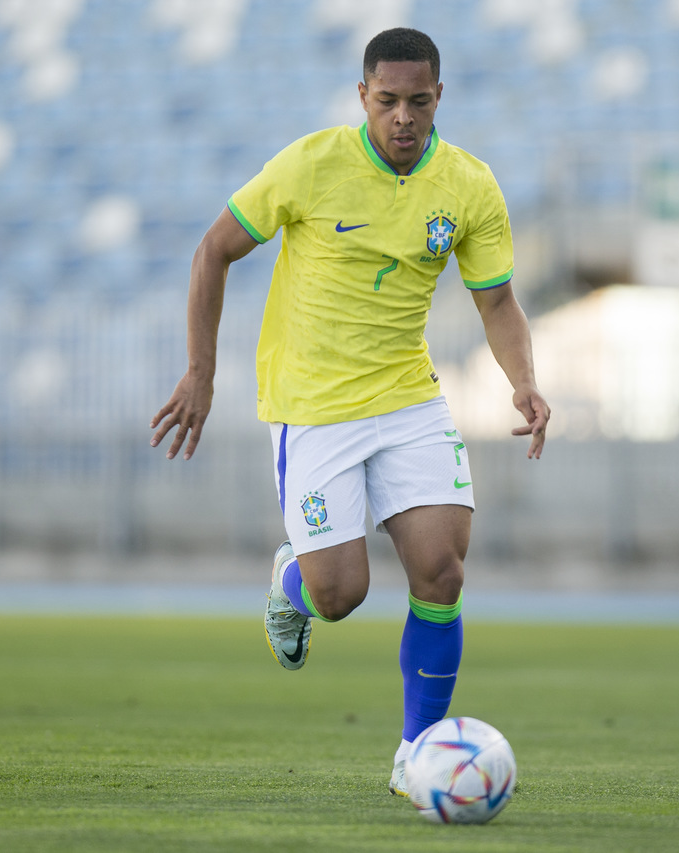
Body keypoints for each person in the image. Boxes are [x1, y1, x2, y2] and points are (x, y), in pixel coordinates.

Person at [149, 28, 549, 795]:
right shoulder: (312, 165)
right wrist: (200, 372)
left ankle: (415, 753)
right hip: (314, 405)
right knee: (341, 593)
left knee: (441, 570)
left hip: (408, 398)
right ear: (362, 96)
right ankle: (291, 583)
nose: (403, 116)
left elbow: (495, 297)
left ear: (440, 99)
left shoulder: (468, 186)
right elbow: (214, 250)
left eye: (419, 101)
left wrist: (523, 380)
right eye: (388, 100)